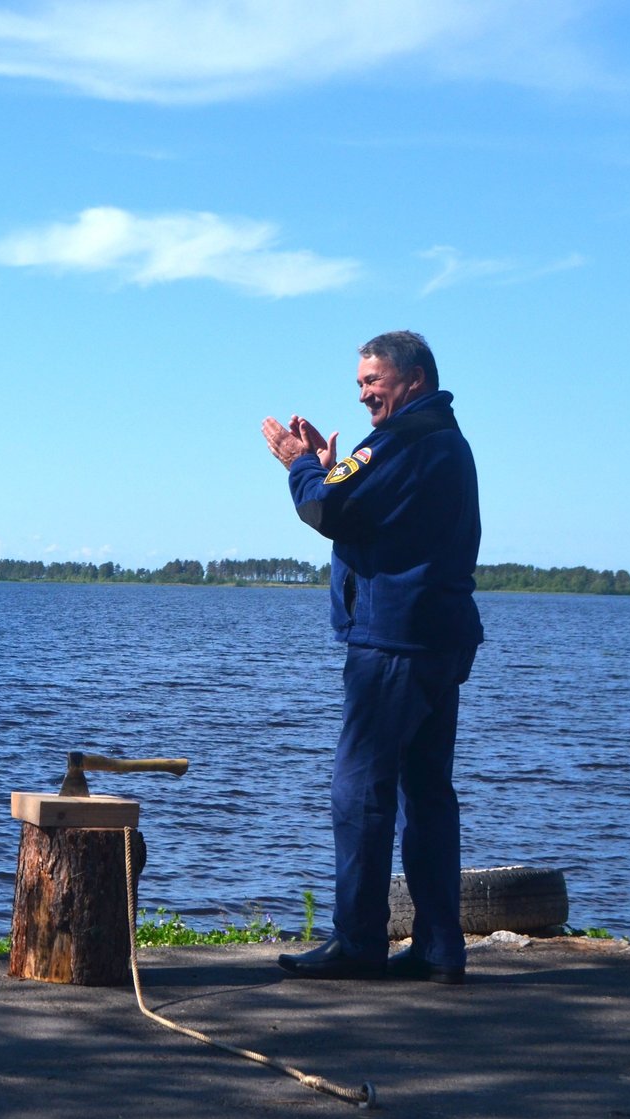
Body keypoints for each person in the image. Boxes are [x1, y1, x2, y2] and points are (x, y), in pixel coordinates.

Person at [261, 330, 482, 986]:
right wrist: (331, 468)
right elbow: (364, 511)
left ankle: (359, 942)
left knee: (359, 788)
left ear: (413, 380)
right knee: (427, 792)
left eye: (372, 381)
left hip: (394, 642)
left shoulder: (401, 440)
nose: (362, 395)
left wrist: (303, 465)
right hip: (440, 638)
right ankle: (439, 948)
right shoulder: (444, 440)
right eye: (359, 384)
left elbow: (326, 507)